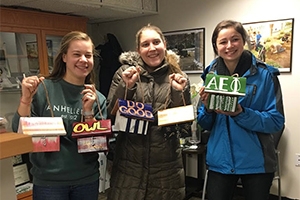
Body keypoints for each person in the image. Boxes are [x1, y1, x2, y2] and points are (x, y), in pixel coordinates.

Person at [12, 31, 107, 200]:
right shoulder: (43, 89)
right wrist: (26, 99)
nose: (83, 60)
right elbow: (19, 133)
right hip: (49, 182)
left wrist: (88, 112)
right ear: (64, 57)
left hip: (86, 180)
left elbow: (96, 145)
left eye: (88, 55)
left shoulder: (98, 98)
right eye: (76, 54)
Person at [197, 20, 285, 200]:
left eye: (234, 39)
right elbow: (204, 123)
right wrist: (208, 109)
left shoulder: (265, 75)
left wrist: (241, 113)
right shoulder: (211, 75)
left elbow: (276, 121)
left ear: (243, 41)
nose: (229, 46)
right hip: (219, 161)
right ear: (216, 45)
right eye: (223, 42)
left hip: (256, 162)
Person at [106, 24, 191, 200]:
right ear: (138, 49)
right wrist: (126, 87)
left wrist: (177, 92)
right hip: (129, 168)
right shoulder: (124, 73)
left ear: (165, 44)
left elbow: (184, 123)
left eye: (156, 42)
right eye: (145, 44)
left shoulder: (178, 76)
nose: (152, 48)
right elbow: (111, 115)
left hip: (166, 171)